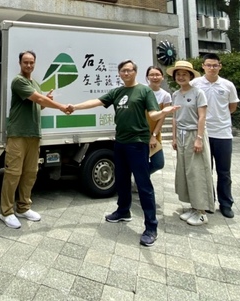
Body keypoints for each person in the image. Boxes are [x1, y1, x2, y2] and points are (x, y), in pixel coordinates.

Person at [71, 60, 179, 247]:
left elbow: (153, 114)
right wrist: (74, 107)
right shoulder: (117, 92)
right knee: (121, 180)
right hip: (120, 142)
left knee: (144, 185)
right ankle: (123, 211)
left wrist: (164, 112)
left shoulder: (144, 91)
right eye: (123, 70)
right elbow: (96, 102)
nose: (126, 73)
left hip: (138, 143)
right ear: (119, 73)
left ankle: (151, 227)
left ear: (135, 72)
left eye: (129, 70)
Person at [0, 50, 72, 229]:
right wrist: (59, 105)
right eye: (26, 62)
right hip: (18, 134)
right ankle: (6, 212)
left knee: (30, 173)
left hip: (33, 134)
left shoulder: (36, 84)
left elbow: (38, 104)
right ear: (20, 63)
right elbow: (37, 98)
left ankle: (23, 207)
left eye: (31, 62)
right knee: (13, 174)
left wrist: (45, 101)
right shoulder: (19, 81)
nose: (29, 65)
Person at [191, 53, 239, 218]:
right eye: (208, 65)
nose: (212, 68)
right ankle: (208, 202)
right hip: (202, 134)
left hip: (223, 133)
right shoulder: (195, 84)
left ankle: (226, 204)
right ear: (203, 66)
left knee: (224, 172)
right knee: (205, 170)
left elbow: (232, 107)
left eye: (215, 65)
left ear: (220, 66)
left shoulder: (228, 85)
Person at [167, 60, 214, 226]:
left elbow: (202, 116)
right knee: (185, 171)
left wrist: (199, 138)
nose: (181, 77)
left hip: (194, 134)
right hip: (180, 135)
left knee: (197, 172)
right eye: (178, 74)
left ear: (191, 76)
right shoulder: (175, 94)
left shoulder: (198, 93)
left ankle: (202, 212)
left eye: (184, 74)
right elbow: (174, 118)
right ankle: (193, 207)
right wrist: (173, 138)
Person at [145, 66, 172, 174]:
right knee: (140, 161)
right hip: (140, 133)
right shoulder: (143, 91)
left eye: (157, 75)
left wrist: (154, 135)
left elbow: (162, 118)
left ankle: (140, 179)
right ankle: (140, 182)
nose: (154, 77)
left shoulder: (166, 96)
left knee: (158, 163)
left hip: (154, 133)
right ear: (147, 77)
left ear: (162, 77)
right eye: (151, 75)